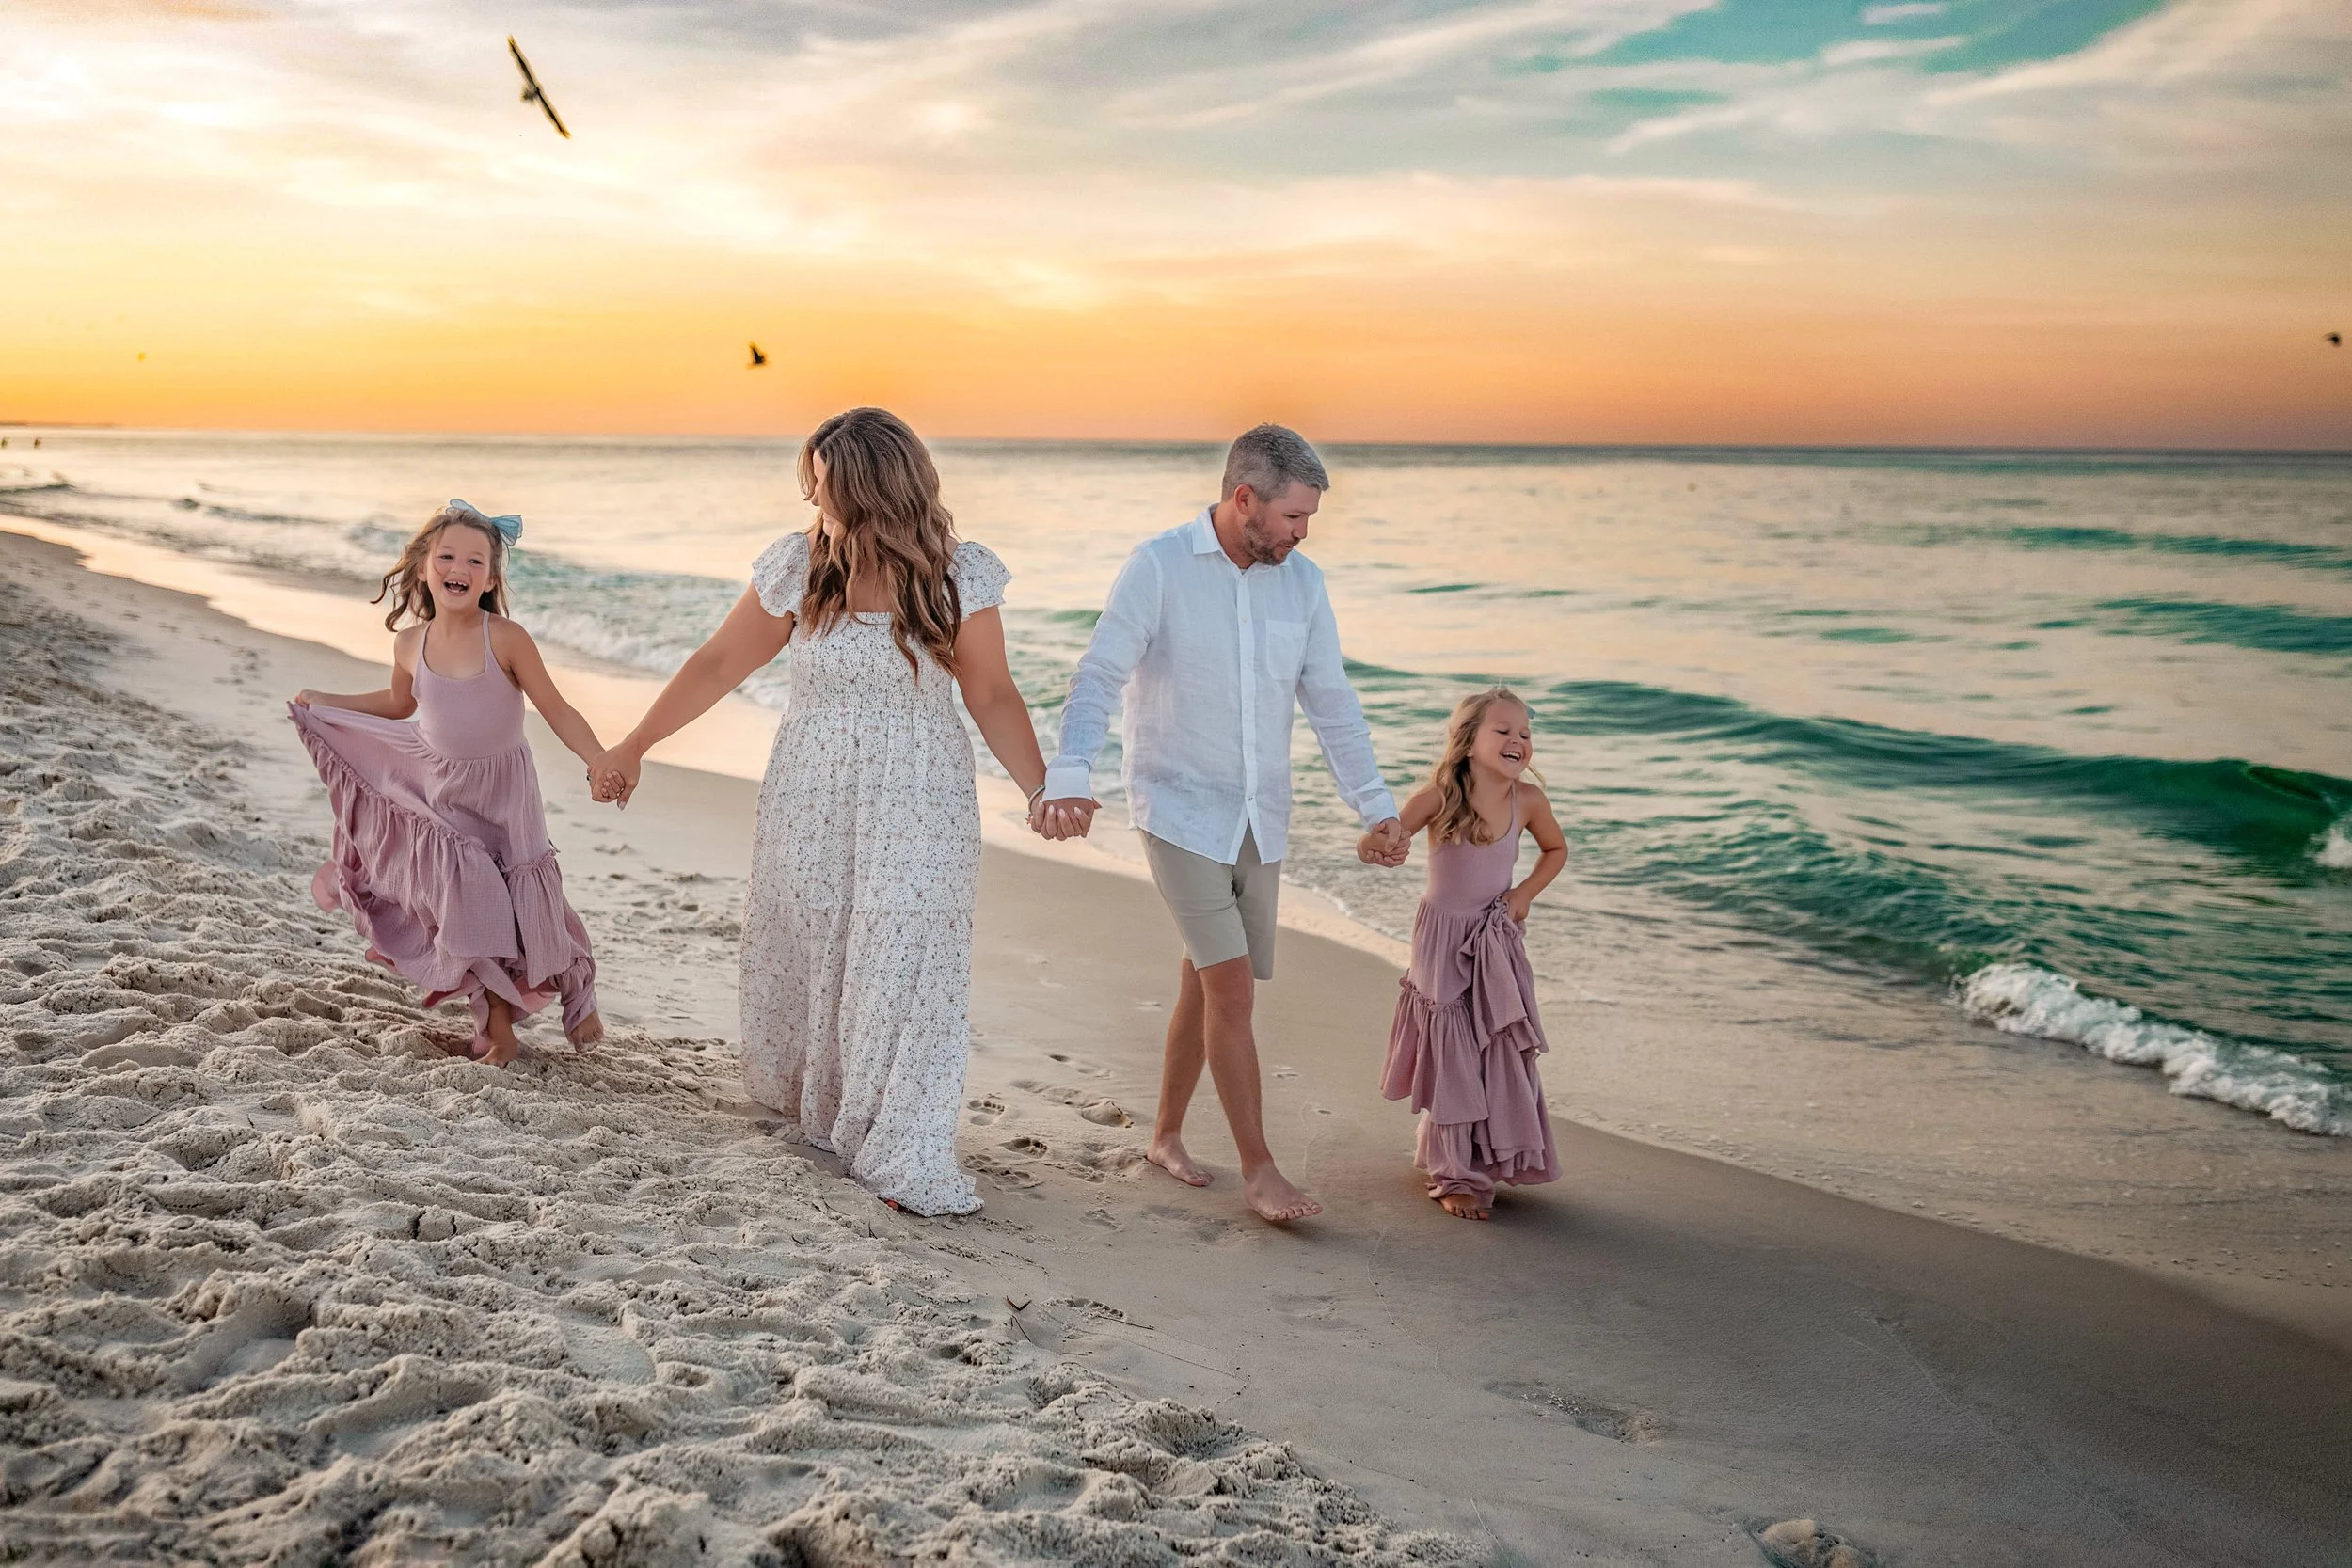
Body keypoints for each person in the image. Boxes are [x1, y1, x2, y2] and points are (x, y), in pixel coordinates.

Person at [588, 408, 1050, 1216]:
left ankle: (906, 1135)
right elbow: (718, 662)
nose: (808, 489)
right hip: (812, 789)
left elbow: (991, 692)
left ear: (867, 483)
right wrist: (635, 744)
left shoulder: (957, 573)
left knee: (905, 958)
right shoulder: (800, 565)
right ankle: (836, 1112)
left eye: (821, 476)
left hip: (920, 794)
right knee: (819, 943)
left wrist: (1041, 787)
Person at [1036, 423, 1408, 1224]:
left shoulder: (1302, 584)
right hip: (1174, 806)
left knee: (1202, 981)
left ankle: (1165, 1136)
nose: (1303, 533)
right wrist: (1069, 771)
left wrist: (1376, 804)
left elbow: (1332, 701)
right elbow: (1100, 672)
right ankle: (1261, 1169)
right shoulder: (1160, 565)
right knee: (1232, 989)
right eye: (1293, 517)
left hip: (1258, 815)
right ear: (1245, 498)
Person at [291, 499, 604, 1065]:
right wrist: (326, 702)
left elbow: (556, 708)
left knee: (527, 900)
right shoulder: (410, 643)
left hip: (505, 794)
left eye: (476, 560)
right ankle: (500, 1033)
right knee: (470, 907)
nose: (460, 567)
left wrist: (598, 758)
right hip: (441, 791)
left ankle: (578, 989)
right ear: (422, 566)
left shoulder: (505, 638)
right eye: (448, 556)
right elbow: (395, 703)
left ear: (489, 577)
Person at [1375, 688, 1565, 1219]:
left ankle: (1486, 1155)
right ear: (1467, 741)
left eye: (1525, 733)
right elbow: (1394, 831)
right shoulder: (1441, 792)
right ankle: (1454, 1173)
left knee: (1495, 1042)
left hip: (1495, 937)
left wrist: (1522, 895)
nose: (1517, 741)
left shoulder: (1527, 800)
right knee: (1454, 1048)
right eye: (1503, 730)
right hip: (1442, 938)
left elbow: (1557, 850)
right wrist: (1377, 845)